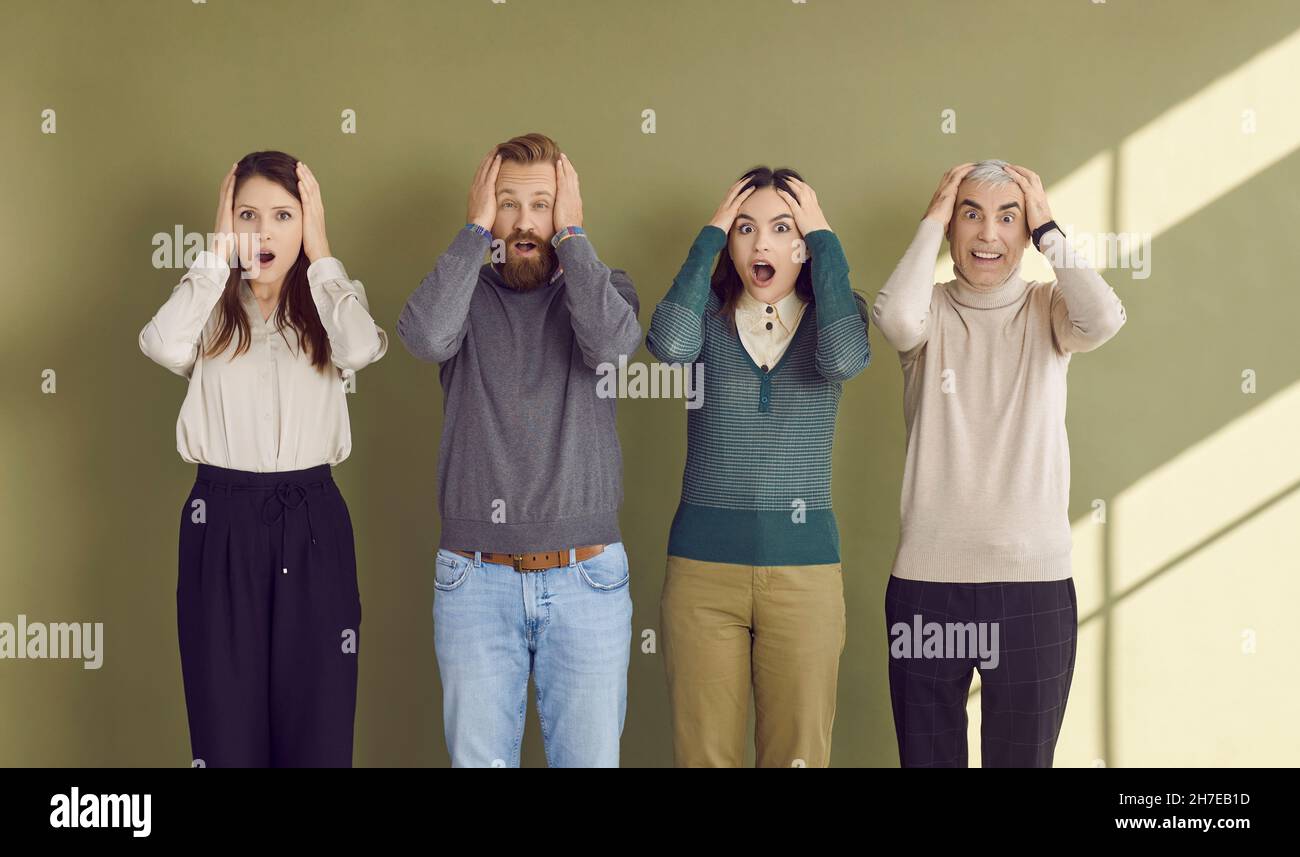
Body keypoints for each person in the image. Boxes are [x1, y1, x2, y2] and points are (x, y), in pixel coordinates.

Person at [396, 133, 642, 768]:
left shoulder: (603, 289)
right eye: (509, 203)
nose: (526, 222)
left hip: (587, 577)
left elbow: (614, 349)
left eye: (543, 204)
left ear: (566, 211)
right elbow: (423, 337)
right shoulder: (463, 297)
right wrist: (473, 232)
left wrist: (574, 239)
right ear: (486, 209)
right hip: (473, 578)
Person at [871, 160, 1127, 767]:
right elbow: (893, 317)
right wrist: (933, 215)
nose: (988, 235)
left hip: (1033, 586)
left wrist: (1050, 230)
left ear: (1025, 233)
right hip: (927, 586)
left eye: (1007, 218)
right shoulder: (928, 312)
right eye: (971, 215)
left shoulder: (1050, 309)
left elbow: (1106, 317)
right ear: (951, 228)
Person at [139, 151, 388, 766]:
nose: (264, 231)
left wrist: (323, 251)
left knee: (319, 726)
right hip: (219, 521)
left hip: (313, 522)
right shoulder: (206, 307)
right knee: (225, 729)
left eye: (283, 215)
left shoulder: (333, 301)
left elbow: (362, 348)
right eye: (247, 214)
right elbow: (159, 342)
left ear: (306, 224)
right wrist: (215, 255)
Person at [645, 167, 870, 767]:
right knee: (704, 758)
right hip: (701, 575)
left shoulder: (837, 320)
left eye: (782, 229)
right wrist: (710, 234)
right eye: (746, 229)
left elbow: (846, 361)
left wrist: (824, 236)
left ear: (805, 244)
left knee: (798, 757)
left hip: (806, 577)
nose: (761, 245)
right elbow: (667, 344)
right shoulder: (703, 323)